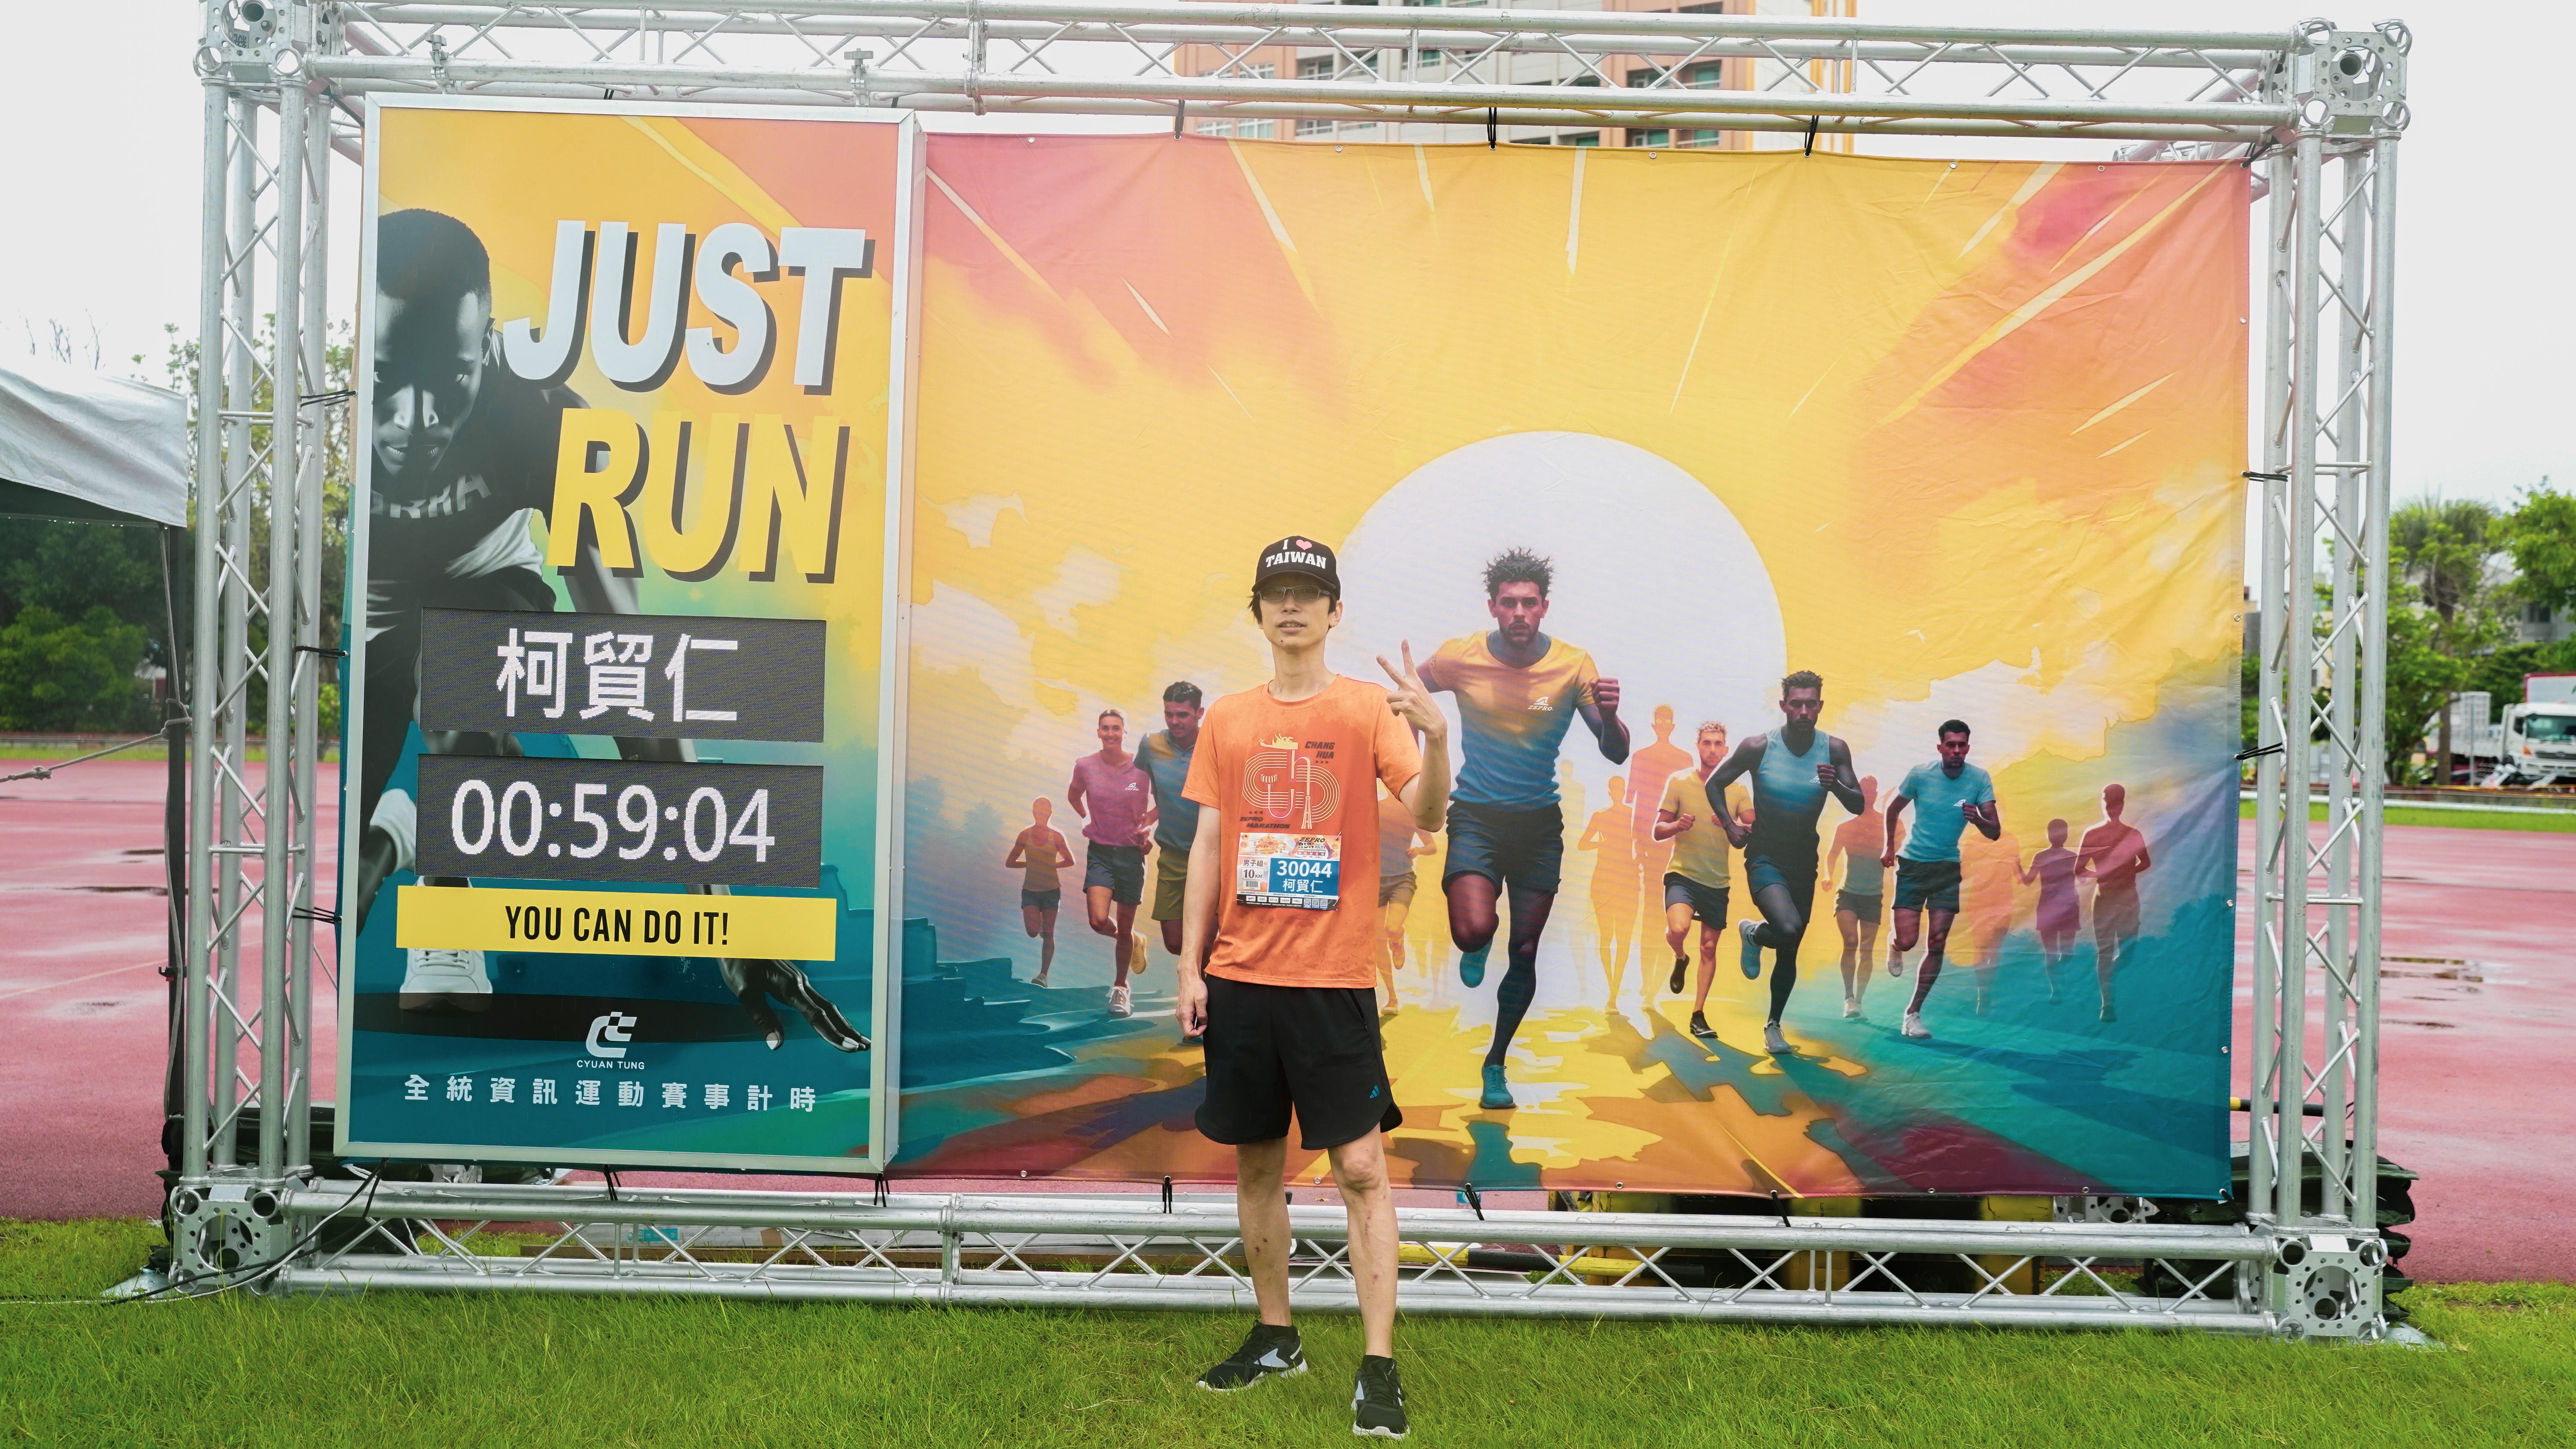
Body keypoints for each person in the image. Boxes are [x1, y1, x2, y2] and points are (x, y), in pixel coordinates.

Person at [349, 209, 864, 1052]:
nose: (411, 419)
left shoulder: (545, 420)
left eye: (448, 378)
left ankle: (446, 894)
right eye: (383, 379)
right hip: (376, 618)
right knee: (350, 876)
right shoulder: (334, 437)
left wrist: (722, 921)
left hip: (485, 591)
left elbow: (631, 669)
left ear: (489, 348)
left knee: (465, 678)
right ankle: (408, 828)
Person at [1175, 535, 1450, 1439]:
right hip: (1241, 977)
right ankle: (1276, 1335)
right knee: (1257, 1163)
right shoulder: (1228, 718)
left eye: (1308, 593)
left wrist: (1437, 737)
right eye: (1276, 593)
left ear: (1335, 612)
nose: (1291, 606)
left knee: (1361, 1168)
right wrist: (1190, 964)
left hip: (1333, 981)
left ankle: (1379, 1363)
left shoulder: (1368, 708)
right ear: (1259, 611)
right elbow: (1209, 844)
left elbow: (1428, 811)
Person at [1419, 548, 1627, 1110]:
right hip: (1477, 816)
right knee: (1472, 931)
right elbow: (1406, 696)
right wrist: (1418, 760)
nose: (1518, 613)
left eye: (1528, 603)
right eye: (1508, 603)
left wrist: (1611, 716)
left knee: (1526, 950)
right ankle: (1476, 942)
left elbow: (1614, 752)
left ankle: (1496, 1062)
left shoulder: (1574, 665)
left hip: (1538, 826)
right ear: (1492, 606)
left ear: (1544, 607)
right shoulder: (1460, 656)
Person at [1710, 673, 1863, 1056]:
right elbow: (1715, 784)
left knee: (1790, 947)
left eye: (1811, 704)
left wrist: (1836, 785)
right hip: (1765, 855)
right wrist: (1729, 825)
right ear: (1784, 706)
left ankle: (1773, 1025)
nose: (1804, 711)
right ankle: (1755, 934)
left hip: (1804, 860)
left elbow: (1858, 804)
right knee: (1789, 927)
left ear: (1820, 706)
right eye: (1797, 704)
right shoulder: (1759, 746)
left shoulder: (1834, 749)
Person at [1883, 720, 2002, 1041]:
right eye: (1951, 745)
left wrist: (1978, 818)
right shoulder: (1921, 774)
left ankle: (1913, 1014)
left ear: (1968, 747)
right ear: (1941, 748)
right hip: (1913, 865)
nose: (1957, 751)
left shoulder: (1979, 779)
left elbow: (1995, 831)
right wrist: (1889, 847)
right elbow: (1892, 810)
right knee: (1908, 941)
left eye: (1962, 745)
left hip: (1947, 868)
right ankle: (1895, 944)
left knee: (1937, 942)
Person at [1653, 721, 1747, 1039]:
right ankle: (1681, 958)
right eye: (1706, 743)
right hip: (1683, 874)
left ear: (1726, 749)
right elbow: (1658, 830)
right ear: (1698, 747)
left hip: (1717, 881)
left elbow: (1754, 828)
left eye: (1718, 743)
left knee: (1709, 948)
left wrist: (1731, 823)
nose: (1712, 749)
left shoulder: (1737, 789)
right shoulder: (1679, 781)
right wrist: (1677, 825)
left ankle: (1698, 1015)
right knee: (1678, 929)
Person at [1068, 708, 1156, 1019]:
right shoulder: (1085, 766)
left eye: (1116, 728)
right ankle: (1131, 940)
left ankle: (1121, 988)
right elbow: (1074, 795)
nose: (1110, 734)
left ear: (1124, 732)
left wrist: (1147, 826)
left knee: (1125, 923)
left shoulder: (1142, 769)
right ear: (1098, 732)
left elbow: (1164, 802)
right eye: (1105, 728)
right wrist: (1086, 817)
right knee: (1098, 921)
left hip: (1132, 855)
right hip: (1101, 853)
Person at [1139, 682, 1208, 963]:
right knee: (1175, 942)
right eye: (1169, 714)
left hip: (1212, 856)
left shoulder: (1215, 743)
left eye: (1182, 715)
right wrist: (1146, 820)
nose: (1175, 721)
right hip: (1173, 854)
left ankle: (1202, 990)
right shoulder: (1151, 745)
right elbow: (1135, 787)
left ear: (1199, 713)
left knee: (1208, 943)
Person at [2077, 783, 2153, 1022]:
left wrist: (2127, 872)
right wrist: (2099, 874)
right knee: (2105, 952)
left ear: (2122, 805)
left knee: (2128, 952)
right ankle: (2106, 1004)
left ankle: (2111, 980)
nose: (2111, 807)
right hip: (2105, 896)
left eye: (2115, 803)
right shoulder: (2092, 834)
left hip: (2128, 897)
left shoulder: (2133, 834)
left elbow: (2146, 862)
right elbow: (2079, 868)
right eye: (2108, 802)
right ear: (2102, 804)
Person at [1624, 705, 1695, 955]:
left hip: (1677, 839)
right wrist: (1637, 841)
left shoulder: (1685, 759)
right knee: (1654, 898)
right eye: (1661, 721)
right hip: (1651, 839)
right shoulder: (1641, 757)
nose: (1663, 725)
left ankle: (1671, 950)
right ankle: (1652, 952)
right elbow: (1635, 801)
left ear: (1671, 726)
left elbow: (1692, 801)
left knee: (1676, 897)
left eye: (1667, 721)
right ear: (1655, 725)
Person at [1575, 776, 1642, 1010]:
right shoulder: (1601, 816)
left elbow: (1642, 843)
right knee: (1607, 936)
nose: (1619, 792)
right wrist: (1601, 844)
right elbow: (1582, 844)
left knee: (1622, 938)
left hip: (1625, 880)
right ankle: (1612, 990)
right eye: (1616, 789)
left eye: (1621, 789)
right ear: (1611, 791)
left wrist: (1637, 857)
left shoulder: (1631, 816)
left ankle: (1614, 992)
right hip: (1606, 880)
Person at [1827, 776, 1888, 1020]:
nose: (1868, 796)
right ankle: (1848, 998)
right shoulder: (1846, 826)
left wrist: (1894, 855)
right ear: (1857, 794)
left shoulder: (1887, 825)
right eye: (1864, 791)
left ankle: (1859, 1001)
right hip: (1848, 894)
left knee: (1867, 950)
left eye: (1872, 792)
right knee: (1851, 941)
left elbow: (1900, 849)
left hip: (1873, 896)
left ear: (1876, 795)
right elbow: (1832, 855)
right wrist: (1828, 877)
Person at [1375, 783, 1434, 1014]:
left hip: (1402, 879)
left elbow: (1432, 846)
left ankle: (1398, 940)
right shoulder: (1375, 809)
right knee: (1378, 941)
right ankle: (1392, 998)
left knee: (1392, 928)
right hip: (1375, 881)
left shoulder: (1412, 814)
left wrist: (1419, 850)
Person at [1005, 798, 1074, 986]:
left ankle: (1043, 975)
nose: (1042, 814)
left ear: (1050, 813)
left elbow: (1070, 861)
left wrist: (1051, 865)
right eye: (1038, 811)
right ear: (1034, 812)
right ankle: (1041, 923)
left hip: (1052, 890)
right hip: (1031, 891)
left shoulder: (1057, 836)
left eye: (1045, 811)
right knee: (1033, 932)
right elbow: (1010, 862)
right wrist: (1031, 863)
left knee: (1049, 933)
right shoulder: (1025, 835)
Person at [2019, 819, 2081, 1004]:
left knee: (2060, 953)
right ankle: (2056, 989)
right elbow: (2028, 881)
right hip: (2057, 907)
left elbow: (2027, 881)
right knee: (2057, 953)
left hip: (2063, 907)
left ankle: (2057, 982)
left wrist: (2017, 866)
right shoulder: (2062, 856)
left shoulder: (2066, 856)